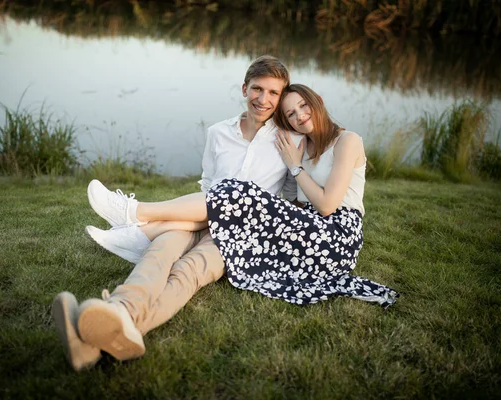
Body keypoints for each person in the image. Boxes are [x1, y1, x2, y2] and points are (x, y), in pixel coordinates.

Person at [52, 55, 302, 371]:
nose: (263, 99)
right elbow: (209, 184)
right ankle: (117, 314)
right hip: (200, 214)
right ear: (244, 88)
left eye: (273, 93)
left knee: (189, 270)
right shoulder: (218, 133)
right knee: (160, 252)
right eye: (257, 89)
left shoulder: (289, 140)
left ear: (281, 98)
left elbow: (293, 201)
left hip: (241, 234)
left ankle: (108, 326)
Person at [85, 84, 398, 308]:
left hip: (336, 236)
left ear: (318, 101)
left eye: (303, 106)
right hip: (308, 228)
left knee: (240, 193)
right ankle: (137, 232)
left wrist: (294, 168)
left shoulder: (348, 141)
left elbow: (328, 205)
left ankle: (135, 213)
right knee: (234, 197)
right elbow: (298, 203)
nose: (299, 116)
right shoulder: (302, 145)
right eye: (290, 114)